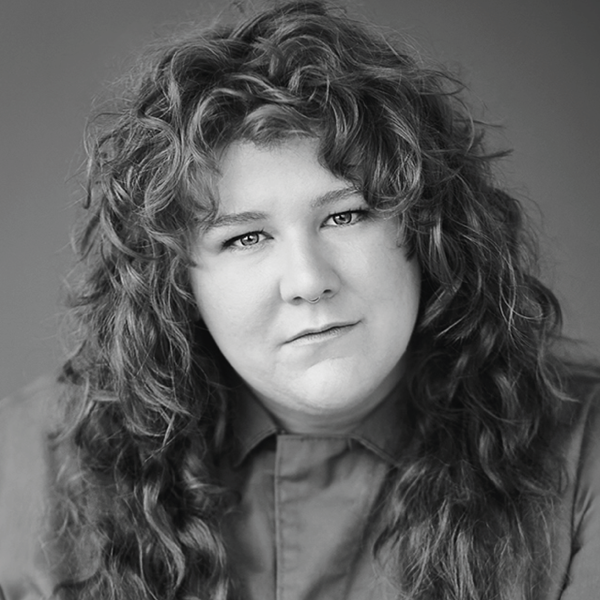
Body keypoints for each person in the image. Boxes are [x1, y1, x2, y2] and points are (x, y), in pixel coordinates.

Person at [1, 1, 599, 599]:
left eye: (345, 215)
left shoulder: (584, 445)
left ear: (428, 228)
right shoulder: (27, 462)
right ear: (176, 282)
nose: (309, 280)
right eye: (246, 238)